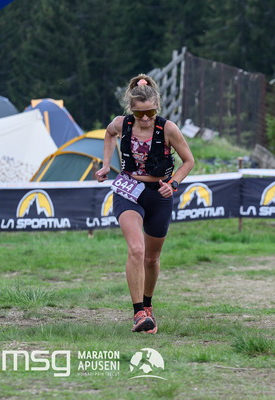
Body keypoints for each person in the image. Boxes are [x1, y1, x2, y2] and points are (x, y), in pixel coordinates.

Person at [96, 74, 195, 333]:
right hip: (128, 190)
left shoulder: (168, 129)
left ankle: (148, 305)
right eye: (139, 114)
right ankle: (139, 313)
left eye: (150, 112)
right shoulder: (122, 124)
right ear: (131, 110)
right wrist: (106, 164)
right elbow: (109, 134)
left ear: (157, 108)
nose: (145, 119)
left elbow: (189, 161)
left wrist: (173, 184)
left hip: (159, 193)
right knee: (137, 249)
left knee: (151, 258)